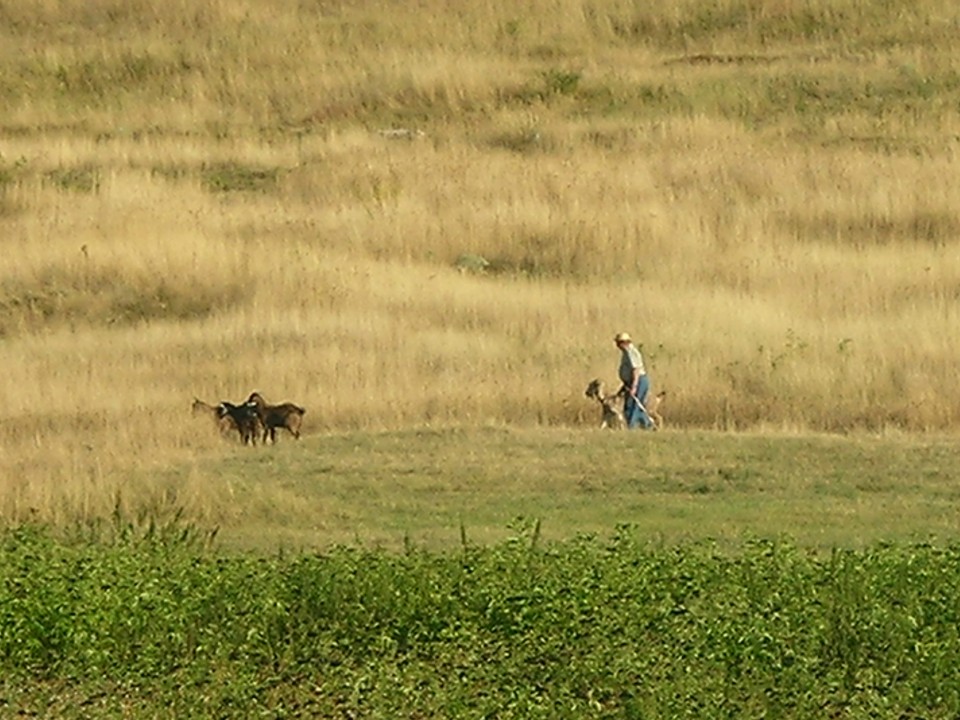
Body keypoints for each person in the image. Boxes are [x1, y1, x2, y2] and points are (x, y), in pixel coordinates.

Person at [614, 332, 655, 430]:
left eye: (618, 343)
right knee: (632, 407)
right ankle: (648, 426)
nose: (617, 346)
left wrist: (634, 386)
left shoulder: (631, 352)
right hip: (631, 382)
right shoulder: (626, 353)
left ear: (623, 343)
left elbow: (635, 370)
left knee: (634, 406)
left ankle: (631, 427)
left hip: (638, 381)